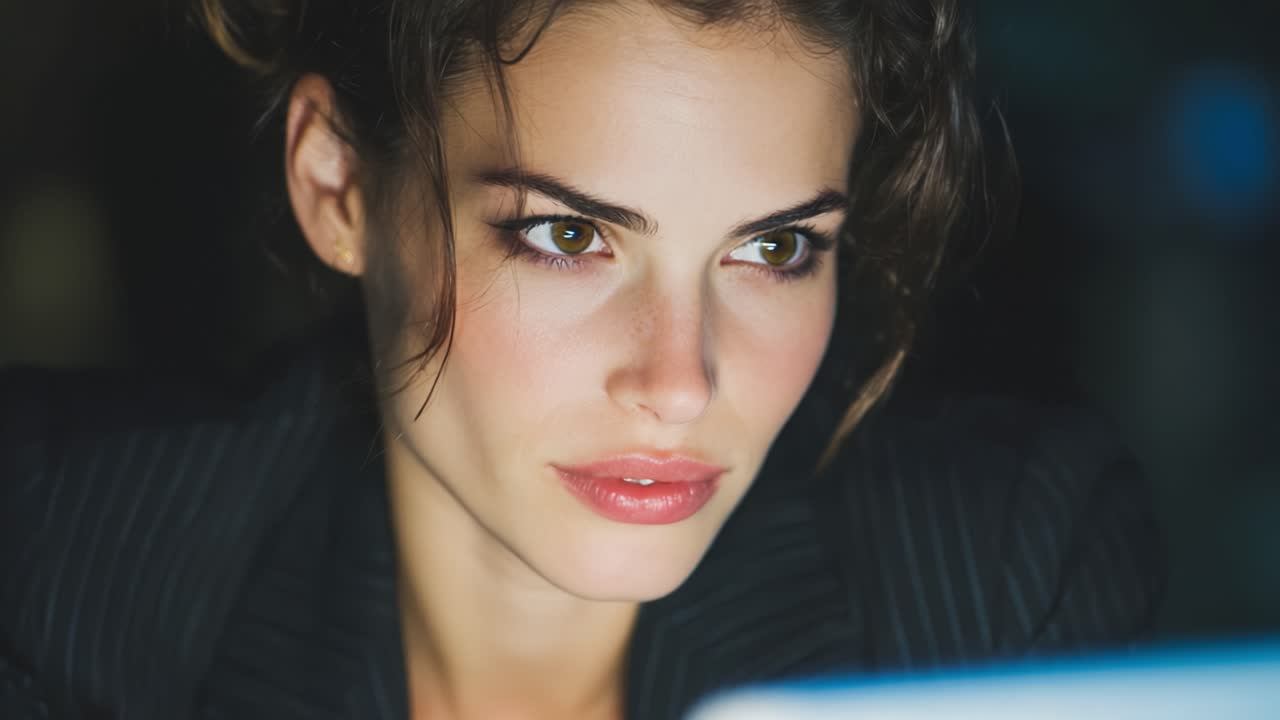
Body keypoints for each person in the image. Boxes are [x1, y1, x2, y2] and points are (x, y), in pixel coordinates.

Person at [0, 0, 1164, 718]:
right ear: (338, 185)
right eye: (568, 236)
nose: (679, 381)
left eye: (772, 247)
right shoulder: (51, 564)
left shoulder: (999, 580)